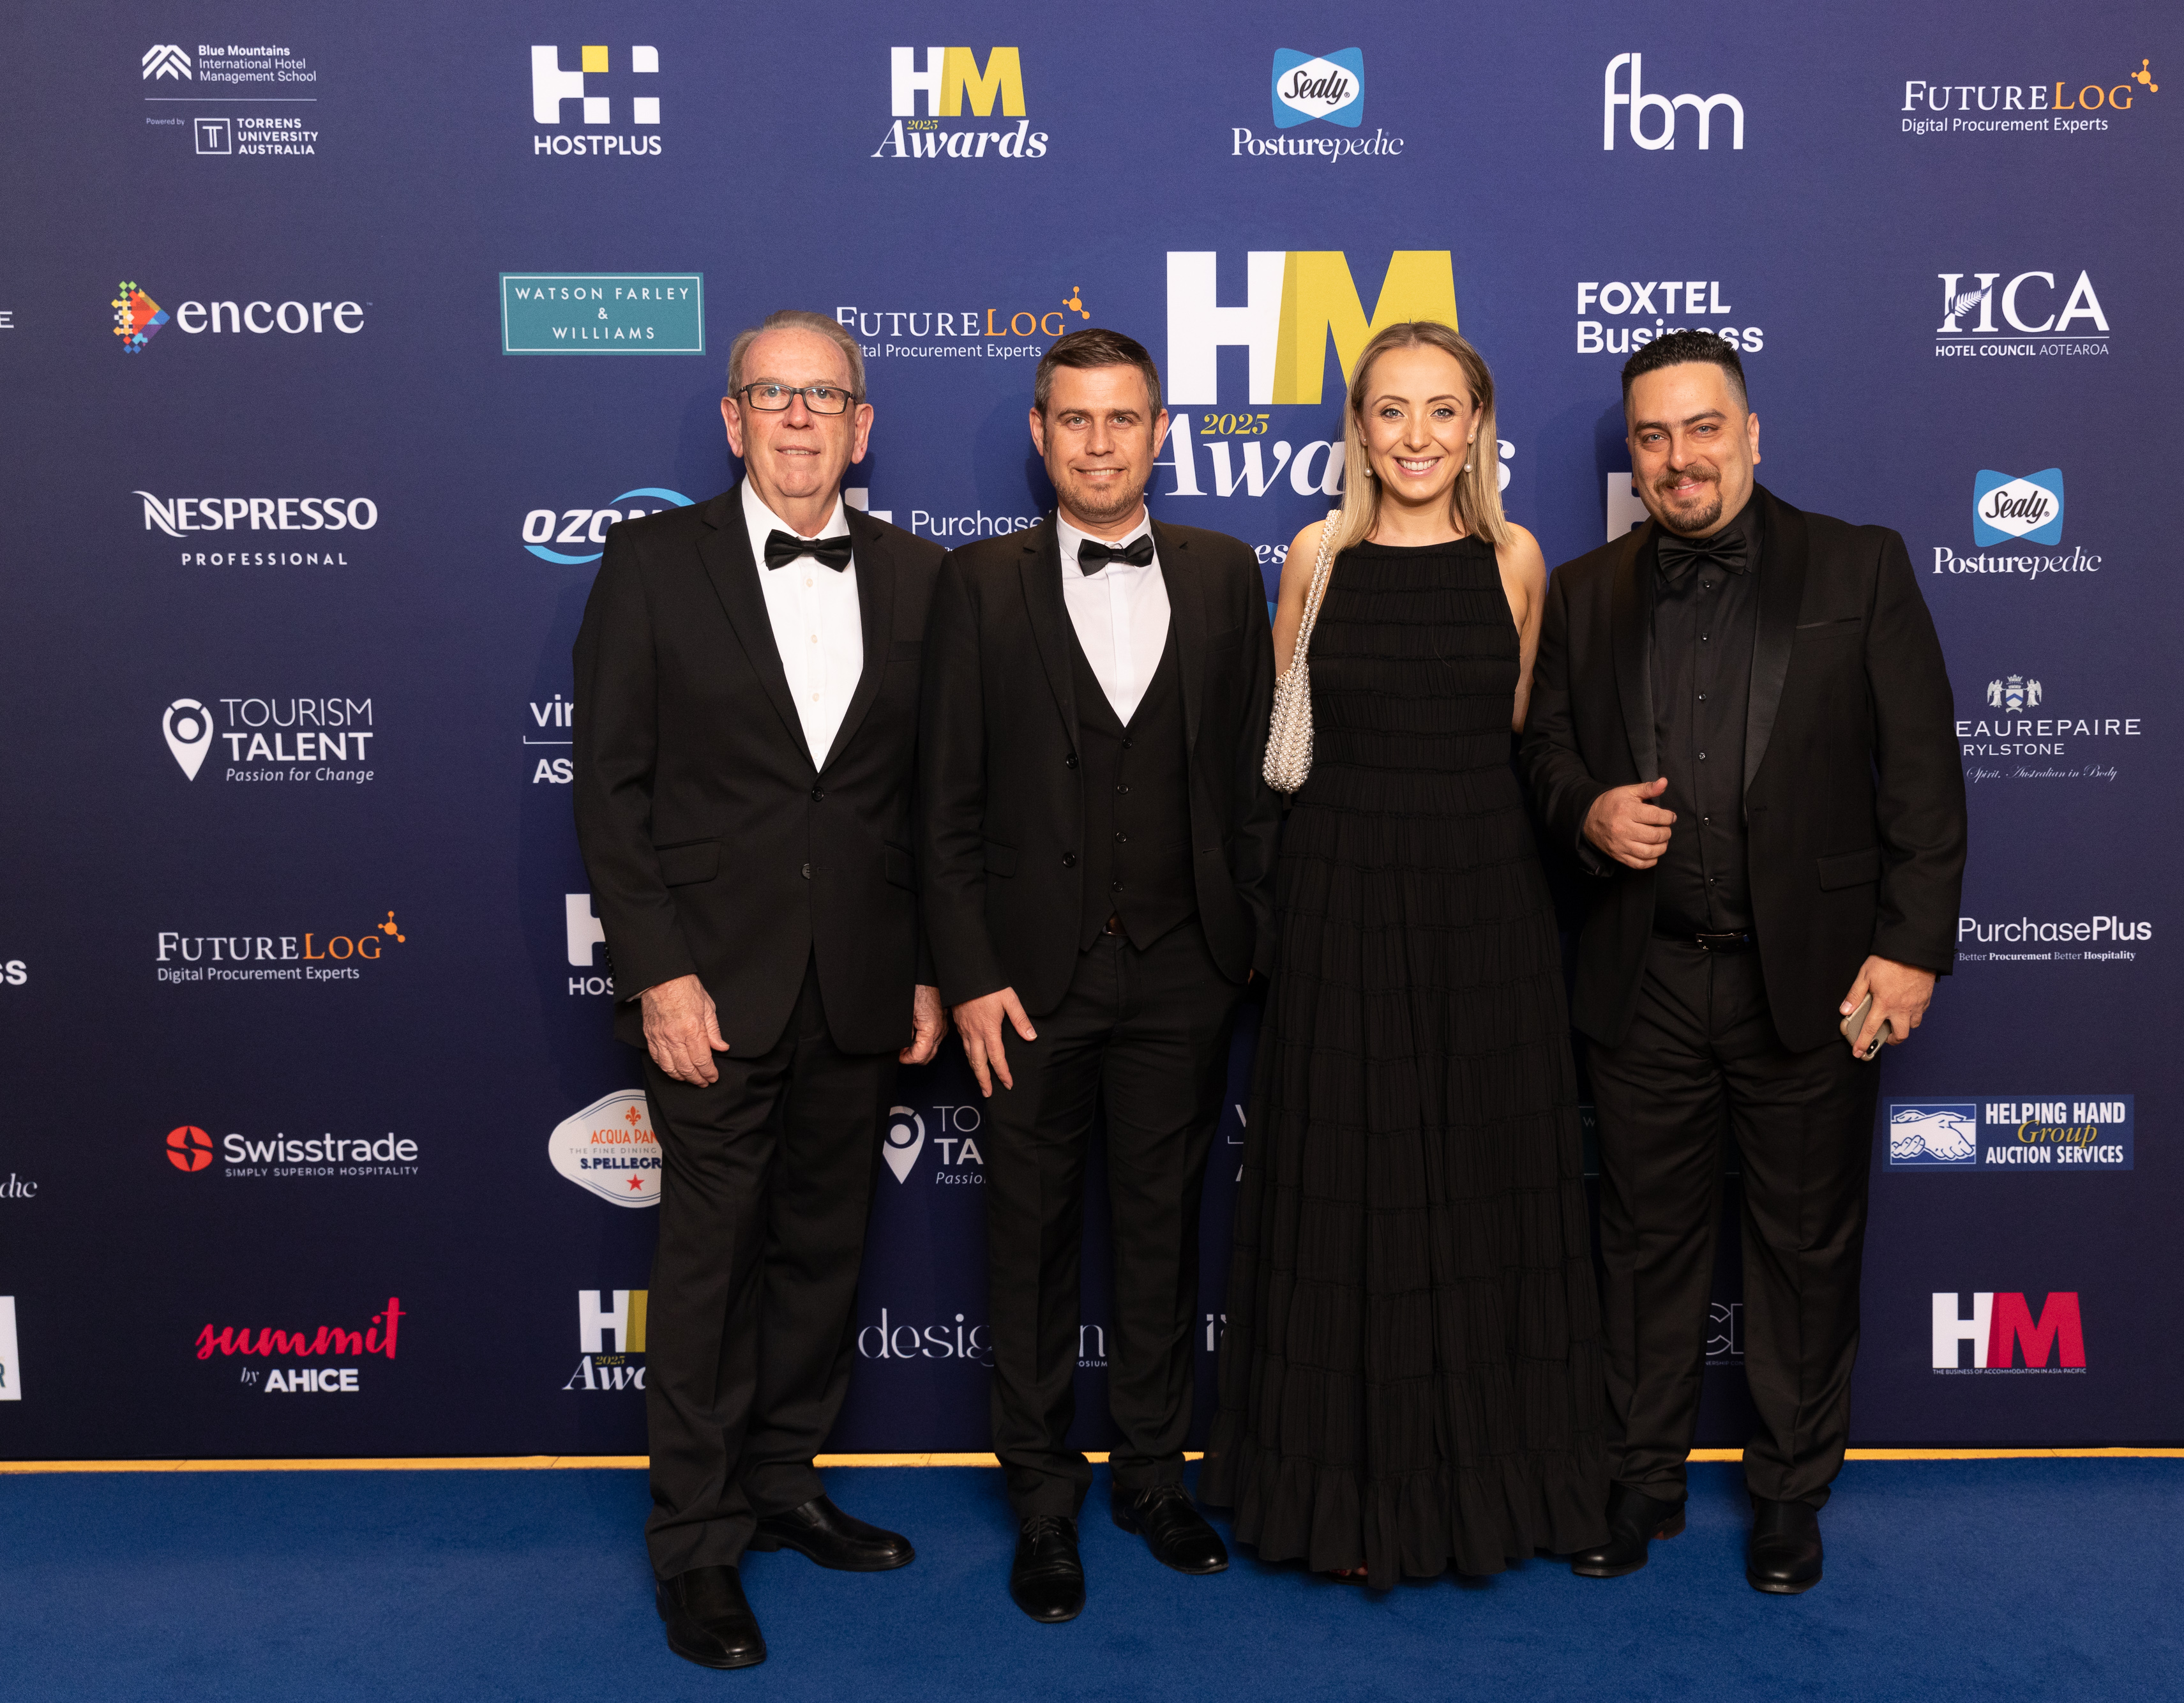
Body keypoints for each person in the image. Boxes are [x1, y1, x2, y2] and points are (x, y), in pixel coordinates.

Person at [1521, 331, 1964, 1593]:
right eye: (1653, 436)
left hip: (1815, 980)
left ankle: (1786, 1493)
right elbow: (1542, 752)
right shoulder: (1584, 589)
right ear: (1633, 453)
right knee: (1639, 1242)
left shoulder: (1858, 565)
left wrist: (1908, 948)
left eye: (1701, 428)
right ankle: (1639, 1480)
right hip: (1644, 975)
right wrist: (1587, 810)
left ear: (1752, 434)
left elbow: (1922, 775)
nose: (1679, 458)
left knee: (1803, 1245)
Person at [1203, 321, 1608, 1589]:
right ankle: (1337, 1489)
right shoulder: (1314, 557)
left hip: (1486, 907)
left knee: (1489, 1188)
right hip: (1339, 903)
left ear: (1478, 425)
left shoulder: (1518, 560)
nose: (1418, 436)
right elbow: (1281, 749)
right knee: (1348, 1190)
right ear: (1359, 429)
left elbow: (1524, 740)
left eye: (1443, 410)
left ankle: (1500, 1479)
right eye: (1392, 410)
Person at [572, 310, 947, 1669]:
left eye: (824, 395)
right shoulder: (651, 561)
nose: (799, 417)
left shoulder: (919, 577)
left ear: (862, 424)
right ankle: (696, 1542)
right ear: (733, 420)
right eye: (772, 394)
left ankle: (783, 1483)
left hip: (860, 982)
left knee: (822, 1254)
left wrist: (928, 967)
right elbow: (609, 789)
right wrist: (659, 971)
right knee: (709, 1264)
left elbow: (932, 798)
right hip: (710, 988)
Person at [917, 328, 1281, 1625]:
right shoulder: (977, 582)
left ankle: (1151, 1477)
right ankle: (1040, 1501)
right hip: (1026, 986)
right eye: (1073, 418)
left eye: (1123, 418)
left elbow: (1252, 775)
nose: (1098, 442)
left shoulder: (1222, 571)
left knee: (1161, 1234)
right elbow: (943, 802)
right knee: (1025, 1245)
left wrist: (1244, 938)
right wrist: (968, 973)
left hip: (1184, 971)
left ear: (1161, 432)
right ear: (1039, 432)